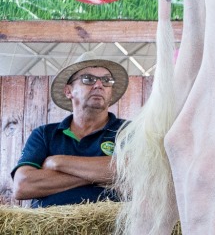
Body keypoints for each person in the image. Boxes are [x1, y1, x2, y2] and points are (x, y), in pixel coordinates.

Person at [11, 54, 129, 207]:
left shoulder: (127, 130)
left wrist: (58, 162)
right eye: (88, 79)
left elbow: (131, 171)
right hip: (48, 227)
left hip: (110, 226)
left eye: (107, 80)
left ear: (110, 92)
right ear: (68, 91)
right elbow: (22, 186)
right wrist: (104, 175)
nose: (99, 85)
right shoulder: (44, 134)